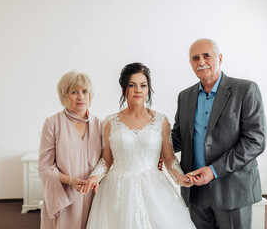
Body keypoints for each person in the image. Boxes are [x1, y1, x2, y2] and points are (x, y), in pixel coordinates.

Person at [82, 62, 196, 229]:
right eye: (132, 85)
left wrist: (180, 178)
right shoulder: (110, 122)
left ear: (148, 89)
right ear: (123, 89)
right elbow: (106, 160)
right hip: (117, 190)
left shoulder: (160, 121)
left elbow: (169, 157)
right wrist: (94, 177)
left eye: (143, 85)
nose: (138, 90)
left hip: (154, 188)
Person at [172, 38, 267, 229]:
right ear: (190, 63)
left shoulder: (246, 89)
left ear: (220, 58)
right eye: (195, 58)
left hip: (232, 189)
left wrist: (214, 171)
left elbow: (256, 140)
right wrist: (147, 136)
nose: (201, 62)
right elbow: (179, 137)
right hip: (195, 191)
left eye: (206, 55)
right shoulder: (185, 96)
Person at [38, 71, 102, 229]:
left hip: (93, 194)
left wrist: (95, 178)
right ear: (64, 96)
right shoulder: (52, 123)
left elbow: (106, 160)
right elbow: (45, 167)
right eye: (74, 92)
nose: (81, 96)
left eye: (84, 91)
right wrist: (71, 181)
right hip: (65, 196)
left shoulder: (99, 124)